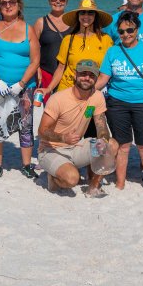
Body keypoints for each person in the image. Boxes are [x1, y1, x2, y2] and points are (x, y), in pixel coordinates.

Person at [97, 11, 143, 194]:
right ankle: (120, 182)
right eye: (121, 31)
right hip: (117, 102)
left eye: (130, 30)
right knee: (123, 145)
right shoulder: (112, 51)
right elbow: (104, 77)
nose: (126, 34)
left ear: (137, 29)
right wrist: (86, 91)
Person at [0, 0, 40, 178]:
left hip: (24, 88)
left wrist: (21, 84)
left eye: (12, 2)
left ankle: (26, 165)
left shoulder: (28, 29)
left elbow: (35, 60)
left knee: (25, 124)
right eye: (4, 3)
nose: (8, 6)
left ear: (19, 5)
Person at [36, 59, 114, 198]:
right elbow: (41, 131)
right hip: (51, 149)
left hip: (76, 147)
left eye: (91, 75)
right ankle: (53, 176)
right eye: (83, 74)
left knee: (111, 144)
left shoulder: (97, 96)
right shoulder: (58, 98)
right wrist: (63, 137)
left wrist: (103, 138)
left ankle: (93, 187)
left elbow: (101, 124)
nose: (87, 78)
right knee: (72, 179)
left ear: (96, 78)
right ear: (75, 74)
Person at [38, 0, 113, 97]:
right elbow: (60, 68)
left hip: (93, 92)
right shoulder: (68, 39)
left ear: (96, 16)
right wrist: (49, 88)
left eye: (90, 12)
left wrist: (89, 91)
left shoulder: (106, 40)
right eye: (82, 12)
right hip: (67, 90)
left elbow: (106, 73)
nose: (86, 16)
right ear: (78, 15)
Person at [32, 0, 71, 89]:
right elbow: (32, 49)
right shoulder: (41, 22)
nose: (58, 1)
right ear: (49, 1)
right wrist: (37, 69)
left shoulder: (73, 23)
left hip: (67, 75)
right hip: (45, 73)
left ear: (66, 1)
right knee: (44, 104)